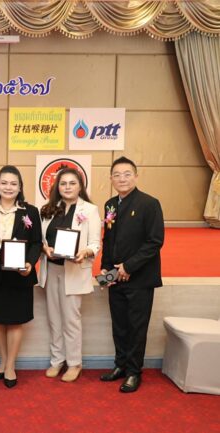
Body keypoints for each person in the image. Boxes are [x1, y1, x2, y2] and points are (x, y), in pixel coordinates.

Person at [99, 157, 164, 393]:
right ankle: (121, 365)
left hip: (140, 278)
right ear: (111, 179)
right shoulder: (110, 205)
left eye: (127, 174)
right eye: (117, 175)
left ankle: (134, 372)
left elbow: (155, 241)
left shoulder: (149, 203)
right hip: (115, 277)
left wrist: (128, 266)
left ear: (136, 176)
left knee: (137, 327)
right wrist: (106, 268)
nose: (122, 179)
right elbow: (109, 240)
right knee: (119, 325)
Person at [0, 165, 41, 388]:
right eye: (4, 183)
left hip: (20, 275)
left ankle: (11, 366)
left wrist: (30, 263)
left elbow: (36, 242)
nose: (8, 187)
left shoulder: (30, 211)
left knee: (15, 321)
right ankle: (3, 361)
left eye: (13, 183)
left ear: (20, 187)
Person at [38, 168, 101, 382]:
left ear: (80, 186)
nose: (67, 187)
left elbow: (95, 243)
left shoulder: (90, 210)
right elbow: (42, 239)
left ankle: (74, 363)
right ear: (57, 187)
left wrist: (86, 252)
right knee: (54, 319)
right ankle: (57, 360)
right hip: (51, 269)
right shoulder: (48, 208)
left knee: (71, 319)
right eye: (63, 183)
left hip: (73, 270)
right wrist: (44, 248)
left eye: (72, 183)